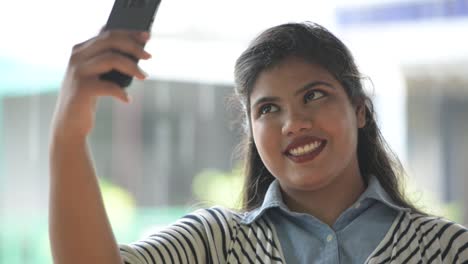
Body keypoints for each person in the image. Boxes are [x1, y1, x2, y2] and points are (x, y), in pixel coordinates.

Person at [49, 22, 468, 264]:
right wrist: (68, 133)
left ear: (359, 110)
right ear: (251, 130)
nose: (294, 123)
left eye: (314, 95)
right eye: (268, 109)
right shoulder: (214, 241)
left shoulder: (447, 249)